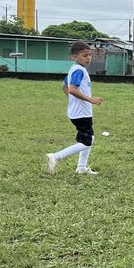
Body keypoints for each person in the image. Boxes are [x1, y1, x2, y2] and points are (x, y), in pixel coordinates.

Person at [45, 41, 103, 175]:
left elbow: (64, 86)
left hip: (79, 112)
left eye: (89, 55)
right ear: (74, 57)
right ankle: (56, 157)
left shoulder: (74, 69)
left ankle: (81, 167)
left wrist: (74, 101)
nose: (88, 58)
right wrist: (90, 100)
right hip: (81, 113)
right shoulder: (79, 70)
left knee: (90, 138)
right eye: (85, 55)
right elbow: (72, 89)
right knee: (87, 142)